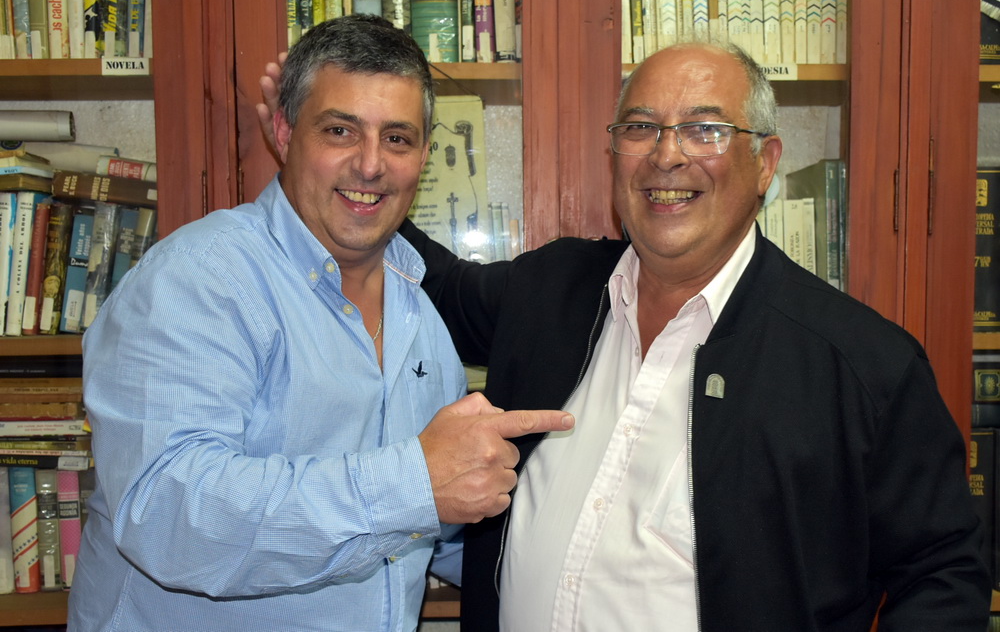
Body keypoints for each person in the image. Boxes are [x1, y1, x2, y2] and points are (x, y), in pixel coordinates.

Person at [258, 41, 991, 630]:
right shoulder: (551, 292)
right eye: (641, 128)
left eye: (705, 129)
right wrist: (331, 166)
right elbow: (440, 284)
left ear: (765, 163)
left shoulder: (863, 365)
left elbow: (944, 573)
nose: (667, 156)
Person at [68, 15, 572, 632]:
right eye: (340, 130)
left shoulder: (421, 315)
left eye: (397, 138)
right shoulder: (199, 276)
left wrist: (583, 558)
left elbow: (430, 528)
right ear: (284, 131)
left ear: (422, 155)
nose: (370, 165)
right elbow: (166, 514)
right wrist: (411, 483)